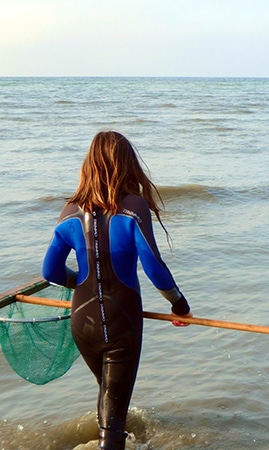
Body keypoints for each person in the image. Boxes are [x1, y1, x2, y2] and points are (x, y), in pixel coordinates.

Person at [42, 131, 192, 450]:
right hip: (120, 322)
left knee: (109, 401)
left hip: (82, 323)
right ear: (127, 165)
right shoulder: (133, 206)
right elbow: (154, 266)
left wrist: (84, 281)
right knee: (113, 423)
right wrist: (179, 306)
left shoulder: (69, 210)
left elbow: (50, 272)